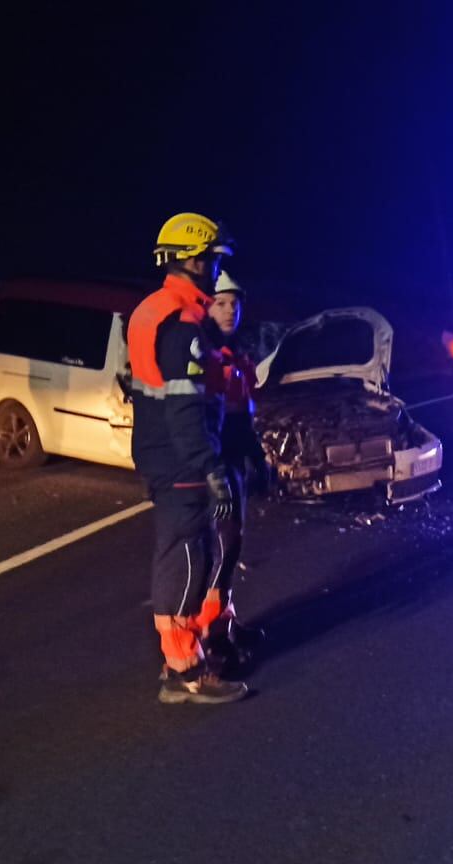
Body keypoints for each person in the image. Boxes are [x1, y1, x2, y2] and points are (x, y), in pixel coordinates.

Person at [127, 212, 248, 705]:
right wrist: (211, 467)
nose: (218, 271)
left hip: (166, 457)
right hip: (181, 462)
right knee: (187, 559)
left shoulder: (157, 309)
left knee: (187, 554)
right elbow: (183, 409)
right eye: (214, 260)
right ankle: (184, 671)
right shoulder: (181, 324)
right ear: (194, 260)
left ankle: (185, 659)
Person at [200, 269, 264, 668]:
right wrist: (217, 477)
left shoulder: (237, 354)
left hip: (234, 465)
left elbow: (244, 416)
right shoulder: (205, 357)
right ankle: (209, 638)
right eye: (220, 303)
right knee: (219, 553)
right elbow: (203, 426)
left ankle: (223, 623)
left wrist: (258, 459)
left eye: (234, 304)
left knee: (233, 544)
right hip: (216, 469)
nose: (228, 310)